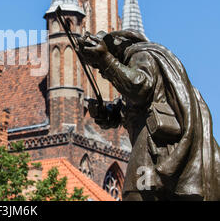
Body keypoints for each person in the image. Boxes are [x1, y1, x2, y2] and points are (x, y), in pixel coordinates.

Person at [78, 29, 220, 201]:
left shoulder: (139, 54)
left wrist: (106, 60)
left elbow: (139, 87)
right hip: (156, 144)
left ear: (116, 47)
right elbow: (130, 106)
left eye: (100, 67)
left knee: (136, 192)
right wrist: (107, 113)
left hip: (156, 144)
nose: (101, 72)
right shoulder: (140, 61)